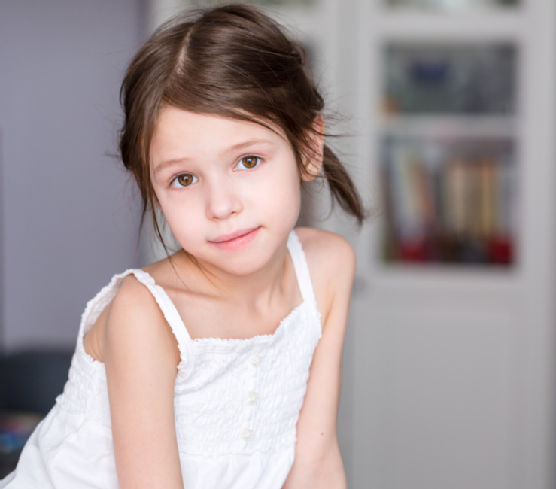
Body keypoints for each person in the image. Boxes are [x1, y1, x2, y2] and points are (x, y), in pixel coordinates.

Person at [0, 4, 364, 488]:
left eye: (248, 160)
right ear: (152, 187)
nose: (220, 205)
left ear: (308, 147)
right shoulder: (146, 314)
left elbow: (315, 465)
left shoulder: (327, 268)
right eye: (184, 178)